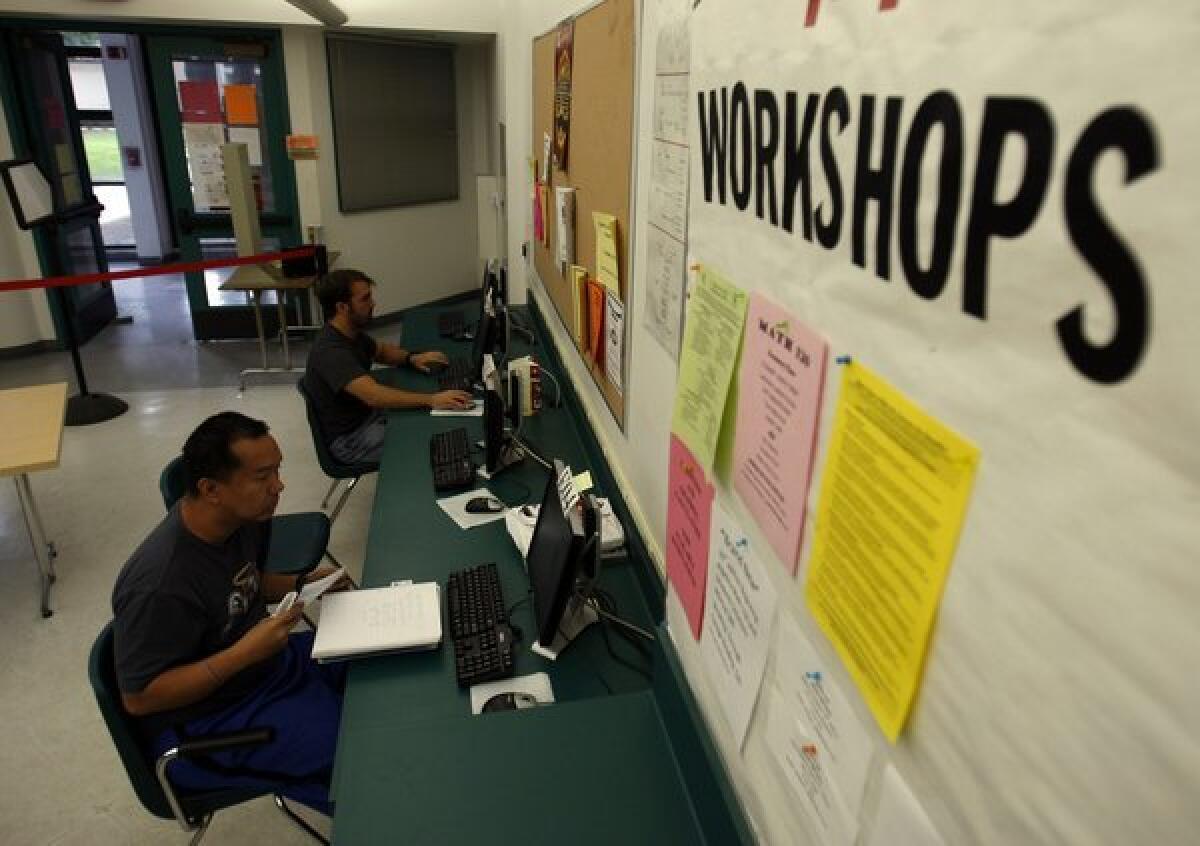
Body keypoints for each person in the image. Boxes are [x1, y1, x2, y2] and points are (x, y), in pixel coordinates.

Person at [112, 412, 352, 815]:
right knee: (358, 758)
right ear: (210, 489)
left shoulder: (244, 518)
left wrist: (301, 582)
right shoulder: (159, 584)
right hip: (215, 718)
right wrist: (243, 654)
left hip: (268, 668)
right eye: (263, 477)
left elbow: (246, 579)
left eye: (277, 471)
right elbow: (139, 698)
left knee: (382, 662)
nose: (279, 486)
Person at [304, 268, 473, 465]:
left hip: (368, 417)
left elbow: (381, 351)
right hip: (352, 439)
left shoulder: (349, 332)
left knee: (437, 425)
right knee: (433, 442)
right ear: (342, 307)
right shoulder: (331, 351)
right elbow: (373, 396)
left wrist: (412, 358)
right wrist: (431, 399)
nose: (373, 303)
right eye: (365, 299)